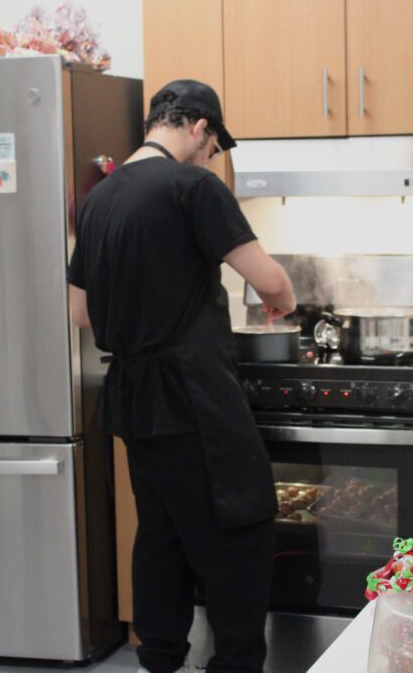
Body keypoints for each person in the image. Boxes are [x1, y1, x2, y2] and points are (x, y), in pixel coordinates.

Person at [67, 79, 296, 673]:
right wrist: (285, 300)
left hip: (133, 392)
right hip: (192, 391)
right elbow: (269, 282)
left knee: (162, 532)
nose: (212, 157)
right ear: (199, 127)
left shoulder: (99, 197)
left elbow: (78, 311)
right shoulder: (193, 186)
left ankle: (162, 658)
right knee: (240, 529)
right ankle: (237, 665)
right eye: (215, 146)